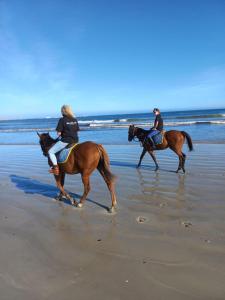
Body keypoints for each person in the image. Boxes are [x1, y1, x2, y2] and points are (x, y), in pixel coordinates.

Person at [48, 105, 79, 175]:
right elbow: (77, 131)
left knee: (51, 152)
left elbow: (58, 133)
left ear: (63, 111)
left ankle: (55, 168)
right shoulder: (74, 119)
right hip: (75, 140)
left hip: (66, 141)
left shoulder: (62, 120)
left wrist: (60, 134)